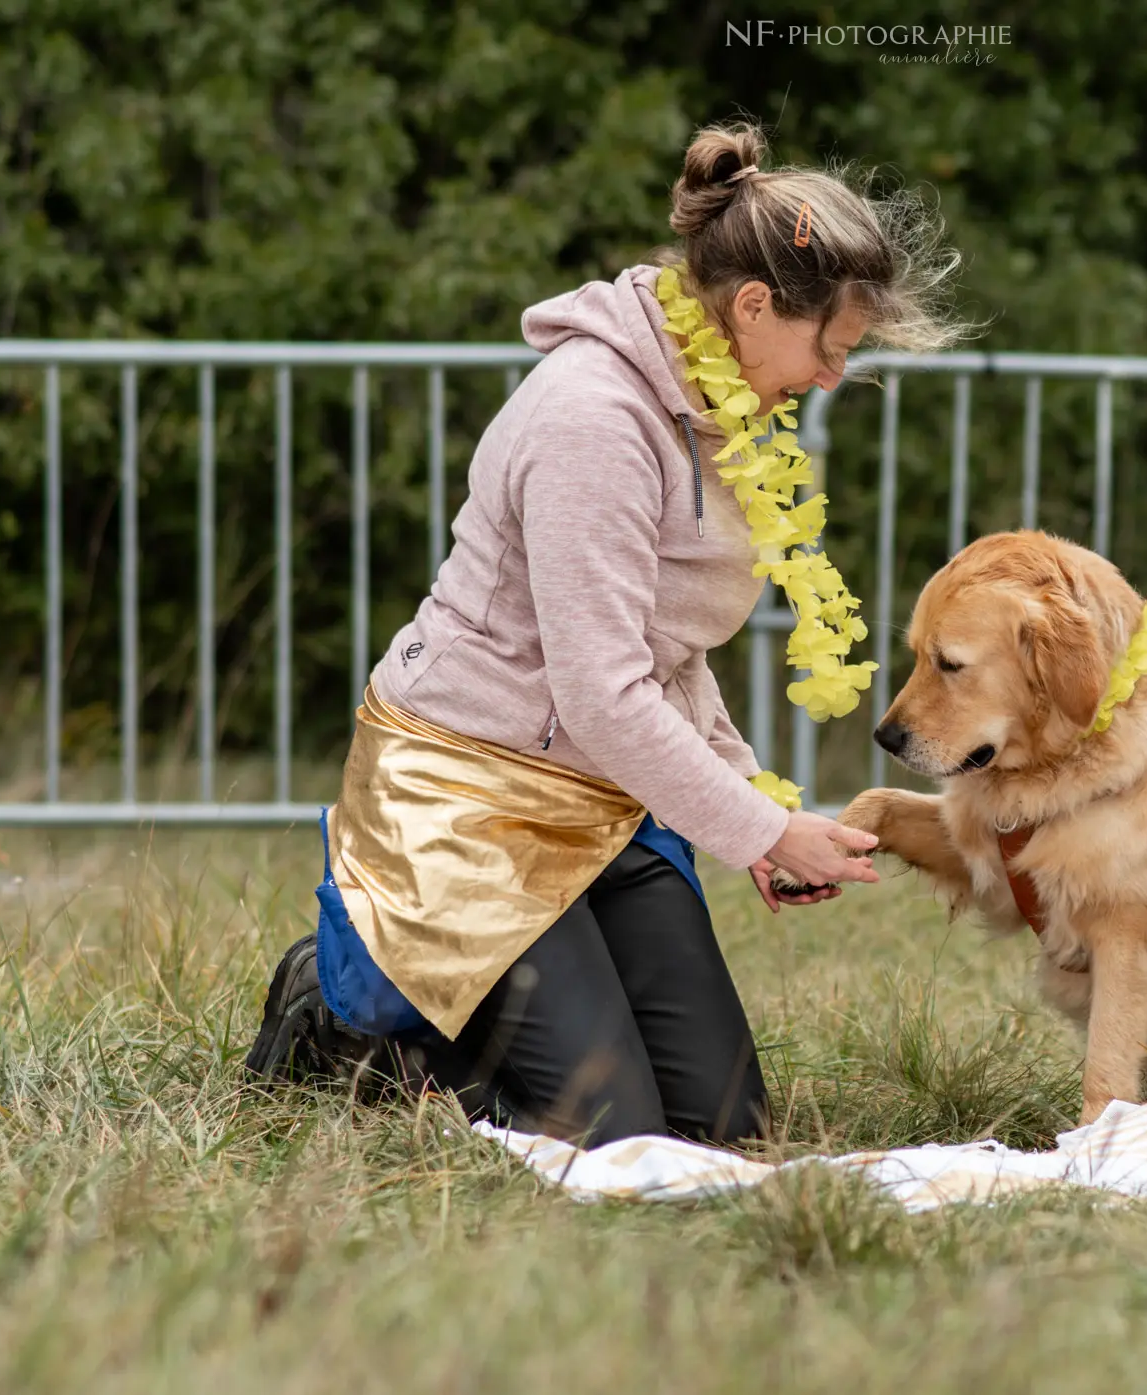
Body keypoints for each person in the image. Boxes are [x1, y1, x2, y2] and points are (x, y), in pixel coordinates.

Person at [244, 121, 968, 1147]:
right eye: (832, 348)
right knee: (609, 1136)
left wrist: (750, 803)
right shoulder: (594, 419)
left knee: (724, 1127)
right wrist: (760, 830)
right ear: (753, 307)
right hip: (468, 798)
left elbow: (669, 654)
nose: (832, 378)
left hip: (597, 799)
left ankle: (484, 998)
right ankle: (334, 1009)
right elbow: (600, 692)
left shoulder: (721, 413)